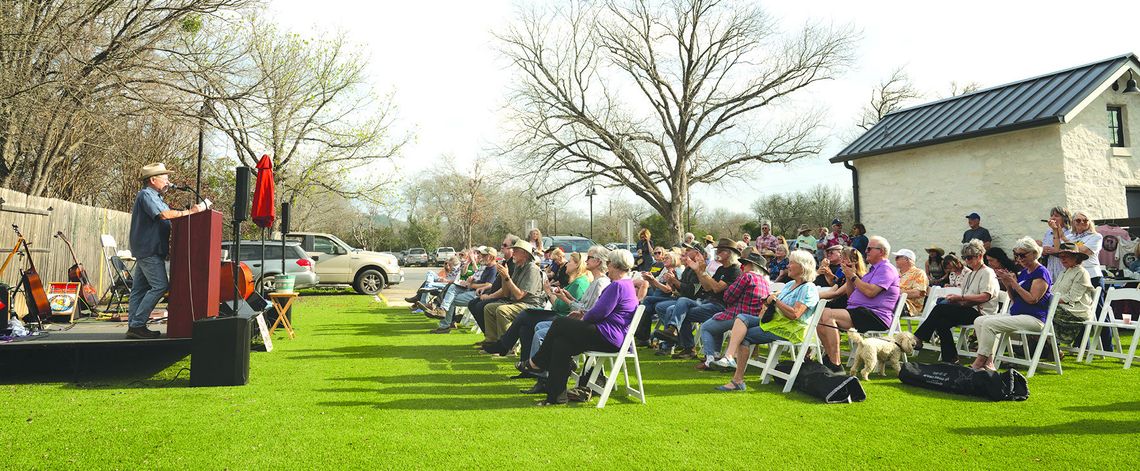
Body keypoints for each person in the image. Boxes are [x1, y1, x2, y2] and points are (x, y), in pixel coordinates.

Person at [523, 249, 639, 406]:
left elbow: (597, 313)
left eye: (609, 263)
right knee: (560, 343)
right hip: (608, 335)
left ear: (616, 265)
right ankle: (556, 397)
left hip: (608, 336)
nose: (608, 266)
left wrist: (583, 316)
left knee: (559, 323)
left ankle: (538, 361)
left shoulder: (617, 286)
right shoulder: (626, 285)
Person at [713, 250, 819, 390]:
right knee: (742, 317)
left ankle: (737, 381)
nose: (788, 266)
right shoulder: (788, 285)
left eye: (792, 263)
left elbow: (794, 315)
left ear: (803, 266)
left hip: (791, 328)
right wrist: (768, 301)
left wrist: (775, 301)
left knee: (744, 336)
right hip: (775, 322)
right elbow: (775, 305)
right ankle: (729, 356)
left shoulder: (809, 288)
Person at [519, 246, 611, 395]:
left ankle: (540, 372)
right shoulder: (595, 281)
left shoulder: (599, 283)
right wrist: (569, 298)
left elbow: (588, 311)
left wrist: (566, 300)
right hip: (580, 321)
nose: (586, 260)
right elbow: (584, 306)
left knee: (540, 331)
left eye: (589, 258)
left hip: (586, 326)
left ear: (598, 261)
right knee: (539, 326)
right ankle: (541, 371)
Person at [127, 163, 204, 339]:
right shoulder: (147, 194)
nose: (168, 181)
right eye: (165, 178)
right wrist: (190, 212)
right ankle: (137, 324)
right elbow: (164, 215)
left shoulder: (154, 196)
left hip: (148, 249)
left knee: (139, 290)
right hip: (149, 249)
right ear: (153, 180)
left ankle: (134, 326)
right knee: (160, 286)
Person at [816, 235, 901, 371]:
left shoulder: (886, 269)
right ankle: (830, 358)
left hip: (875, 316)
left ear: (881, 251)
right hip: (860, 311)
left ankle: (835, 363)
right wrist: (849, 277)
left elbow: (870, 292)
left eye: (869, 249)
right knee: (820, 316)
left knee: (827, 314)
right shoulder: (872, 271)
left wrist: (853, 276)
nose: (866, 251)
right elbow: (851, 296)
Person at [483, 251, 591, 356]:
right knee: (524, 327)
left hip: (564, 318)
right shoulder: (576, 282)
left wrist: (551, 293)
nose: (566, 264)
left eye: (570, 261)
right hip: (559, 315)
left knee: (525, 315)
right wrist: (550, 292)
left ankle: (504, 345)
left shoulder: (579, 283)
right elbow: (559, 305)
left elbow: (561, 307)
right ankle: (526, 365)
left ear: (577, 265)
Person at [972, 237, 1053, 371]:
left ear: (1034, 253)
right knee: (979, 320)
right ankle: (989, 361)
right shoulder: (1025, 272)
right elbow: (1014, 299)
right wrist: (1008, 284)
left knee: (988, 324)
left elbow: (1032, 299)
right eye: (1017, 255)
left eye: (1022, 255)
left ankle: (980, 361)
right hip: (1019, 314)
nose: (1019, 258)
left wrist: (1014, 283)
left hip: (1034, 318)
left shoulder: (1041, 272)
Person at [913, 240, 999, 363]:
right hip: (967, 308)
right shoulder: (970, 274)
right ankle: (950, 359)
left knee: (940, 309)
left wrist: (960, 298)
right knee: (942, 322)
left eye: (969, 257)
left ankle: (919, 337)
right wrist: (956, 299)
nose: (967, 261)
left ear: (980, 256)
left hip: (980, 312)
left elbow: (985, 297)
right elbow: (965, 295)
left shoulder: (987, 272)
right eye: (965, 258)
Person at [655, 238, 741, 359]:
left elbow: (716, 288)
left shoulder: (734, 270)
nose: (717, 253)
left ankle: (687, 346)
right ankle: (675, 331)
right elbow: (707, 287)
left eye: (721, 251)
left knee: (679, 310)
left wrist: (703, 272)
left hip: (720, 306)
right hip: (707, 302)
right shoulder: (721, 269)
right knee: (680, 304)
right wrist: (699, 270)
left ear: (729, 253)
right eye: (718, 250)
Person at [695, 249, 771, 370]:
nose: (742, 266)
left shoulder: (747, 276)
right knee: (717, 320)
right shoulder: (765, 282)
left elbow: (728, 297)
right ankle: (716, 356)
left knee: (706, 327)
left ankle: (709, 360)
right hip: (754, 319)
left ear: (752, 265)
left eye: (745, 263)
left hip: (738, 317)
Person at [481, 239, 545, 346]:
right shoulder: (518, 267)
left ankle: (507, 346)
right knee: (489, 308)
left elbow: (519, 295)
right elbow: (506, 293)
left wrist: (507, 277)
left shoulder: (532, 269)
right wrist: (503, 277)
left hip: (531, 305)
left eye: (516, 251)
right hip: (518, 303)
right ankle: (491, 342)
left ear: (524, 253)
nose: (513, 253)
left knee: (502, 310)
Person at [429, 246, 498, 333]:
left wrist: (471, 285)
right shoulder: (486, 267)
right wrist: (471, 280)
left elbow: (488, 285)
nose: (482, 257)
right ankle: (442, 312)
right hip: (471, 289)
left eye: (484, 255)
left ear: (491, 257)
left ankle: (444, 324)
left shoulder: (493, 268)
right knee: (453, 287)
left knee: (451, 299)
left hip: (479, 294)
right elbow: (477, 278)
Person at [465, 234, 519, 339]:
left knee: (482, 306)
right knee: (473, 304)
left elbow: (505, 290)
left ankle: (495, 340)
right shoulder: (504, 263)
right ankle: (489, 337)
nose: (502, 247)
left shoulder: (513, 265)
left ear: (512, 248)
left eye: (505, 245)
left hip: (505, 298)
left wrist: (489, 296)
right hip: (494, 294)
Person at [1051, 242, 1095, 346]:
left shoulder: (1081, 272)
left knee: (1045, 311)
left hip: (1076, 311)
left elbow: (1073, 297)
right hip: (1061, 307)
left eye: (1066, 256)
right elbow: (1053, 291)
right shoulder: (1063, 272)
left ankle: (1050, 346)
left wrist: (1051, 300)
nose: (1063, 259)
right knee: (1038, 310)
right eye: (1061, 257)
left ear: (1076, 257)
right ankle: (1045, 345)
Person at [635, 250, 683, 345]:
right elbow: (656, 288)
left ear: (673, 260)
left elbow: (668, 290)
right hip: (660, 296)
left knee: (648, 301)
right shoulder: (665, 270)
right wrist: (650, 280)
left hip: (673, 298)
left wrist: (653, 280)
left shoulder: (675, 271)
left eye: (667, 258)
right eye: (664, 258)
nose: (664, 259)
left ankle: (642, 336)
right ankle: (643, 336)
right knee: (648, 303)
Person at [1041, 206, 1073, 282]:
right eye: (1052, 216)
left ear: (1064, 218)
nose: (1053, 218)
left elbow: (1067, 248)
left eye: (1056, 216)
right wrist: (1043, 250)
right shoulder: (1048, 232)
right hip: (1051, 265)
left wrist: (1055, 250)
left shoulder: (1070, 232)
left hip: (1063, 265)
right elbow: (1045, 245)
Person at [894, 249, 928, 317]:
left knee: (885, 303)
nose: (895, 259)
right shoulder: (895, 273)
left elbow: (918, 293)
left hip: (909, 306)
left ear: (907, 260)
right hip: (895, 301)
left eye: (897, 257)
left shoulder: (919, 273)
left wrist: (894, 292)